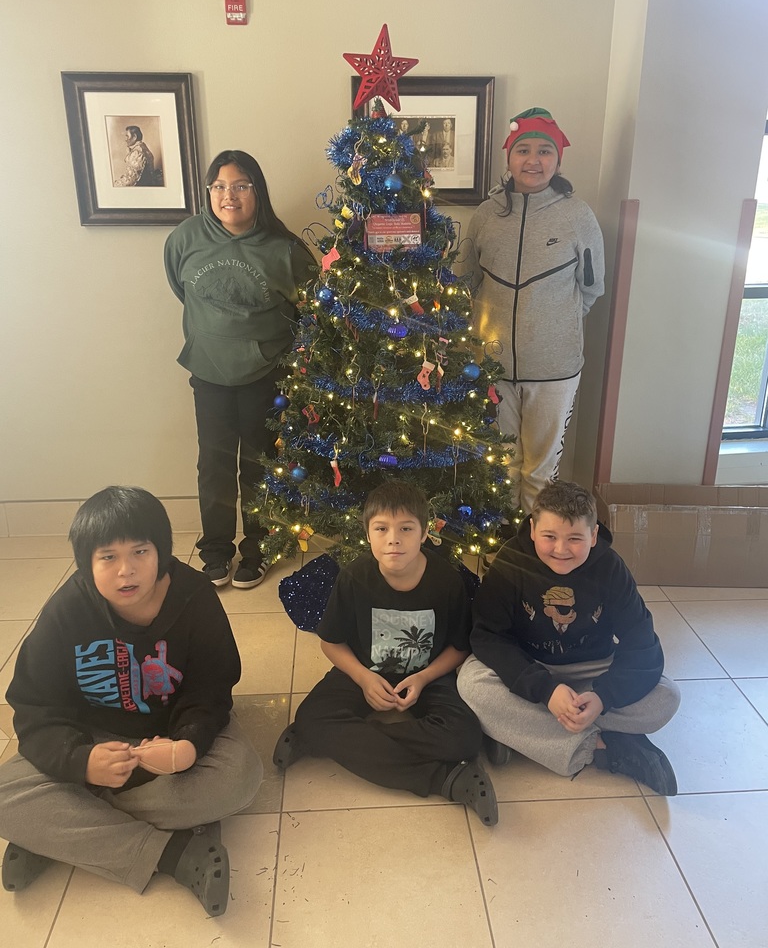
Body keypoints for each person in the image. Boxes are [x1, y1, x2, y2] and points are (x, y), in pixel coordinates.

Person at [0, 486, 262, 915]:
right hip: (93, 736)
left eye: (140, 552)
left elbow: (211, 690)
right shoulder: (67, 611)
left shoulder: (196, 598)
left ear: (162, 552)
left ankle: (62, 830)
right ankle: (173, 855)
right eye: (108, 557)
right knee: (3, 798)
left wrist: (187, 746)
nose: (126, 571)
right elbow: (33, 707)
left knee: (240, 779)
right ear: (87, 564)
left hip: (170, 734)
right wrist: (81, 761)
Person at [273, 481, 498, 826]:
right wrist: (363, 678)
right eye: (382, 529)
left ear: (424, 534)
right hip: (362, 671)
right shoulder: (353, 577)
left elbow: (459, 648)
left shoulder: (446, 581)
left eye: (406, 529)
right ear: (368, 533)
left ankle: (328, 741)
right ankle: (445, 779)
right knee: (313, 715)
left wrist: (423, 678)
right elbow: (331, 642)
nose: (394, 539)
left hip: (429, 676)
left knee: (465, 735)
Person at [457, 481, 680, 795]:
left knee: (667, 697)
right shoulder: (511, 562)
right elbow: (488, 637)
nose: (560, 550)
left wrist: (604, 697)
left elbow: (642, 643)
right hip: (530, 667)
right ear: (533, 529)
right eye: (549, 536)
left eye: (575, 538)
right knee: (472, 685)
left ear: (593, 534)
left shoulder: (611, 568)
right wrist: (546, 690)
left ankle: (523, 736)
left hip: (593, 671)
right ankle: (605, 746)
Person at [164, 150, 315, 588]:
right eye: (220, 186)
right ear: (208, 192)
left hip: (263, 375)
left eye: (241, 185)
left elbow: (307, 309)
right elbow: (180, 288)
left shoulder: (284, 250)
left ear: (258, 192)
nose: (229, 195)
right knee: (211, 464)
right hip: (207, 371)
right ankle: (214, 550)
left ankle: (258, 549)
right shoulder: (185, 239)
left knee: (258, 464)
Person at [459, 108, 605, 517]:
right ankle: (503, 547)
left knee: (540, 470)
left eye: (545, 150)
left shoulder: (578, 216)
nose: (533, 160)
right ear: (509, 158)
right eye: (523, 149)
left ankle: (530, 549)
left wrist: (551, 325)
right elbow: (466, 279)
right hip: (493, 365)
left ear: (558, 159)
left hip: (555, 369)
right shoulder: (486, 215)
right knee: (501, 464)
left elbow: (591, 288)